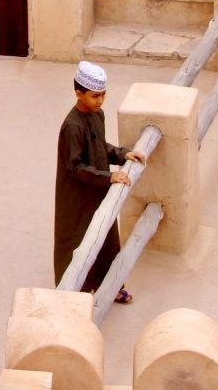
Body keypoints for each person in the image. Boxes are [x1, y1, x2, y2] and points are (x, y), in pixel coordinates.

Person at [54, 61, 140, 303]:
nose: (100, 101)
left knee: (106, 238)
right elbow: (75, 167)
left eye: (103, 95)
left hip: (98, 189)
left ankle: (110, 286)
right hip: (78, 197)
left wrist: (123, 154)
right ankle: (74, 295)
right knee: (78, 240)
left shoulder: (97, 115)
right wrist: (109, 176)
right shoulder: (72, 126)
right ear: (78, 93)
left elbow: (100, 147)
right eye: (95, 96)